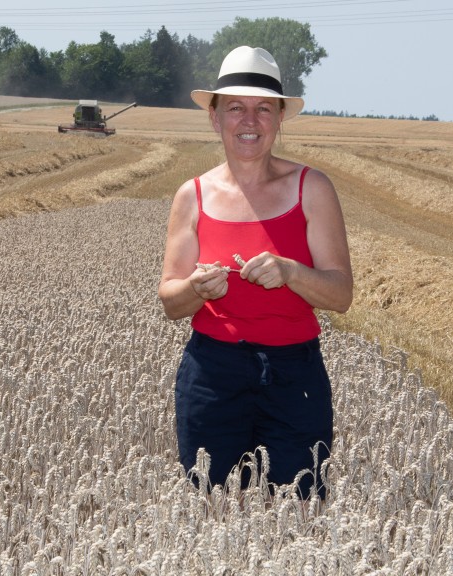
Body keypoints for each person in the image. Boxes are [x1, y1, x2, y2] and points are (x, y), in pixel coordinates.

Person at [158, 46, 353, 499]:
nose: (250, 121)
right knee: (209, 510)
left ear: (280, 117)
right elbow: (170, 300)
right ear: (215, 117)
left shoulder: (312, 188)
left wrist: (291, 272)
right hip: (212, 374)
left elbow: (341, 294)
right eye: (236, 109)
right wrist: (195, 287)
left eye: (264, 109)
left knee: (298, 514)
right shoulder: (192, 195)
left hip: (294, 376)